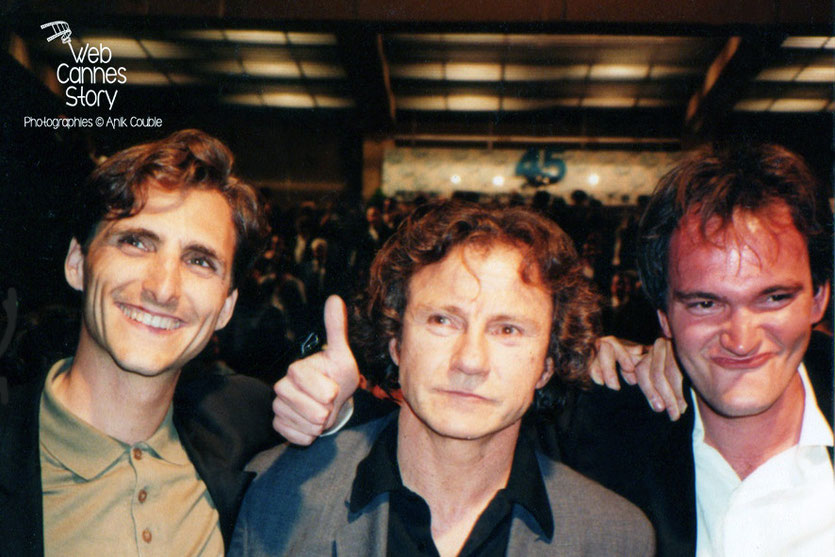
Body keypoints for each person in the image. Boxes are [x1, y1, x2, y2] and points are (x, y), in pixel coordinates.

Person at [272, 142, 833, 556]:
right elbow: (456, 425)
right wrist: (339, 412)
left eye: (773, 297)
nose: (740, 338)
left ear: (819, 299)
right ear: (665, 316)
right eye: (705, 304)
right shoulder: (609, 423)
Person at [233, 201, 655, 556]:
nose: (470, 360)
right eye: (442, 320)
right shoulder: (277, 494)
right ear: (395, 342)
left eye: (508, 330)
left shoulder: (616, 539)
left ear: (547, 364)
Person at [0, 129, 282, 556]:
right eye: (136, 242)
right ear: (77, 263)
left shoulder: (247, 421)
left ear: (225, 306)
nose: (163, 288)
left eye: (199, 261)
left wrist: (340, 410)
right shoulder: (11, 446)